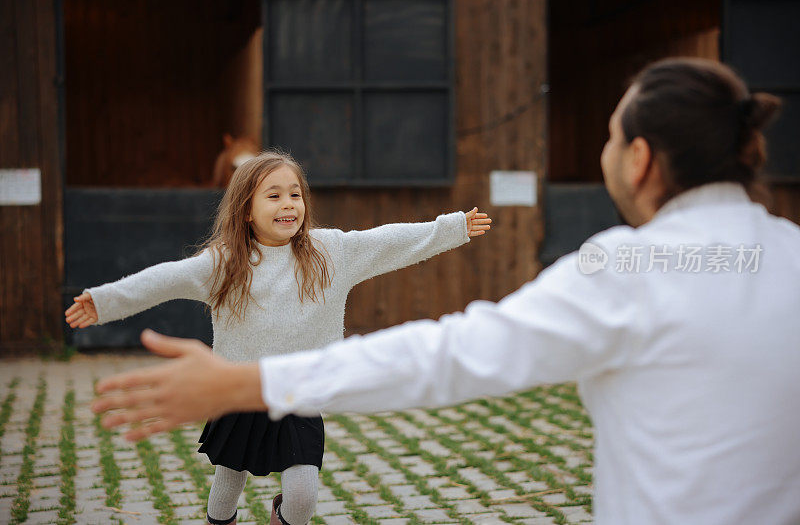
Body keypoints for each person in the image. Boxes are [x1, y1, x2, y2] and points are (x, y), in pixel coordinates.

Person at [92, 58, 800, 525]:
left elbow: (450, 355)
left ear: (639, 159)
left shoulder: (620, 269)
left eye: (611, 137)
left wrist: (258, 382)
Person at [67, 150, 492, 525]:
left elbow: (389, 242)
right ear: (246, 209)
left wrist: (452, 227)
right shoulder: (225, 263)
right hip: (238, 390)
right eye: (273, 195)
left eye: (295, 194)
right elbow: (165, 279)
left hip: (300, 391)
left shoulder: (331, 253)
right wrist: (104, 301)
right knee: (227, 484)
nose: (289, 204)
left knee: (303, 495)